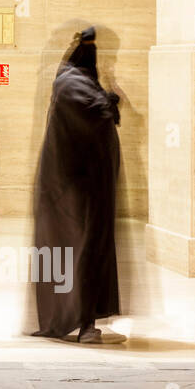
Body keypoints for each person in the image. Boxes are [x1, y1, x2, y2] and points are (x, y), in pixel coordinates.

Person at [30, 26, 125, 344]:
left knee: (85, 253)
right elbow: (99, 113)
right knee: (74, 253)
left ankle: (85, 321)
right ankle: (75, 321)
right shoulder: (72, 82)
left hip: (84, 190)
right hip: (70, 192)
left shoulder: (78, 82)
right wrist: (111, 99)